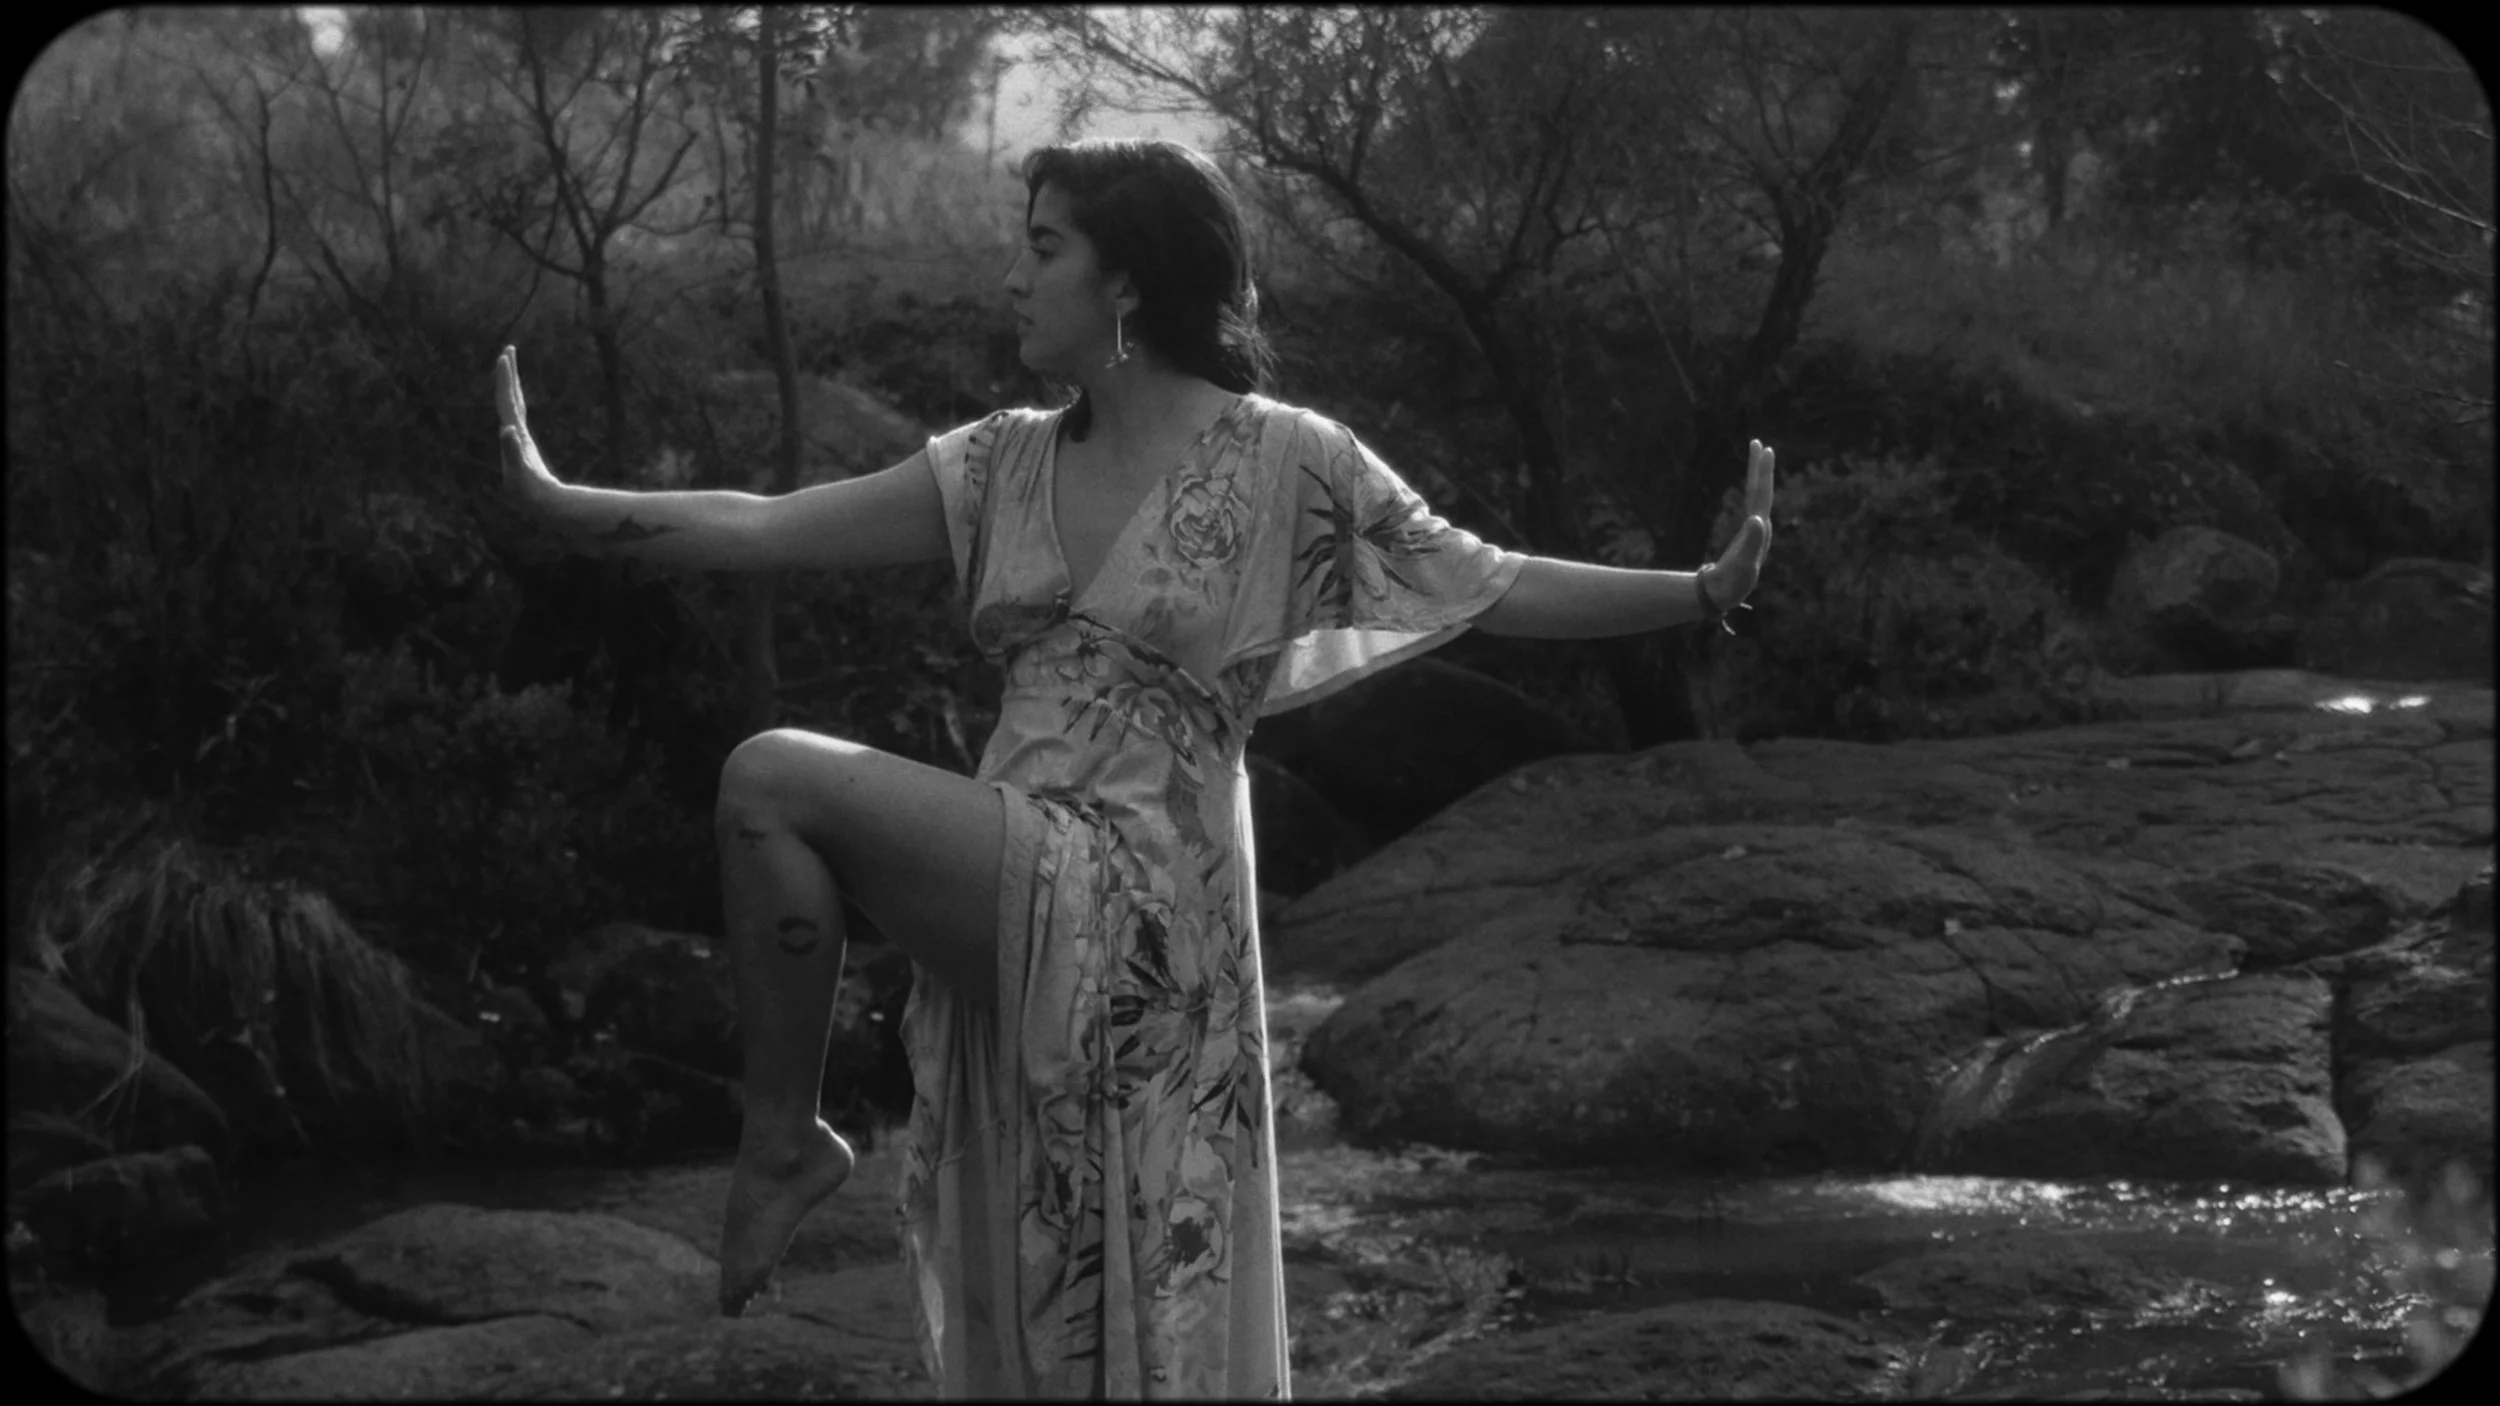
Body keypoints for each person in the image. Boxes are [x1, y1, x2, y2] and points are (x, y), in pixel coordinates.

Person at [492, 137, 1775, 1398]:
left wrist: (1696, 591)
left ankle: (782, 1142)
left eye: (1043, 247)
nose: (1011, 277)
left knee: (772, 776)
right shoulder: (999, 462)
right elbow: (767, 525)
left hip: (1156, 916)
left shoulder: (1289, 459)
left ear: (1127, 283)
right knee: (1047, 1286)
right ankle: (789, 1138)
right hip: (1021, 875)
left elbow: (1489, 581)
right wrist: (565, 501)